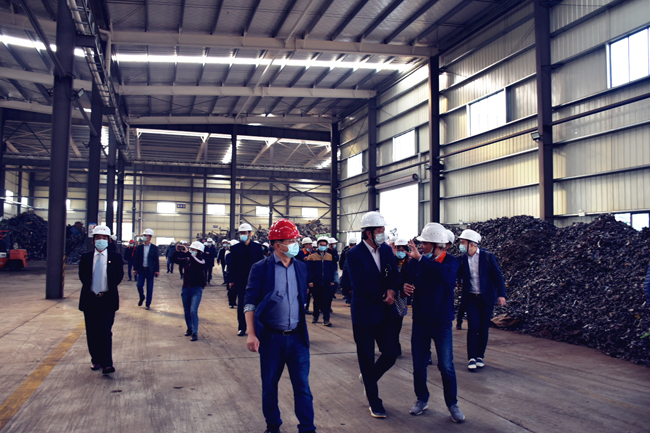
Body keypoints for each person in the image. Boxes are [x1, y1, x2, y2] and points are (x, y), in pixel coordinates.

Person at [244, 219, 315, 433]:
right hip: (271, 339)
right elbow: (250, 301)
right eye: (291, 241)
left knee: (303, 387)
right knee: (269, 386)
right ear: (277, 245)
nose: (295, 245)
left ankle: (307, 428)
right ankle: (273, 425)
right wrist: (251, 333)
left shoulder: (300, 267)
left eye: (296, 240)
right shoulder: (261, 269)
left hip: (297, 338)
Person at [402, 224, 465, 423]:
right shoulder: (416, 261)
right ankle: (422, 399)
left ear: (438, 245)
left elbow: (443, 275)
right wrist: (404, 286)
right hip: (421, 320)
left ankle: (452, 404)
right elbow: (405, 278)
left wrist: (421, 260)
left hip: (442, 322)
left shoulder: (451, 262)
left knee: (446, 365)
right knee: (419, 364)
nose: (422, 247)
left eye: (425, 244)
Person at [345, 211, 401, 419]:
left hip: (385, 312)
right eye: (380, 230)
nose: (383, 233)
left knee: (391, 352)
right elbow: (359, 284)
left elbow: (394, 274)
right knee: (366, 357)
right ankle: (374, 401)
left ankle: (369, 377)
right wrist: (383, 295)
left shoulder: (386, 250)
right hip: (364, 313)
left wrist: (393, 290)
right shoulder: (354, 254)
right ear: (368, 233)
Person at [457, 229, 507, 371]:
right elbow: (457, 274)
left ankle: (480, 356)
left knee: (484, 328)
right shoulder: (462, 259)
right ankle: (471, 358)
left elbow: (498, 276)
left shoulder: (487, 257)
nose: (461, 245)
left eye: (463, 242)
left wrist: (501, 295)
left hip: (486, 298)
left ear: (472, 244)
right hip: (471, 298)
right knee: (473, 328)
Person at [78, 225, 123, 375]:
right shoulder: (86, 257)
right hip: (90, 300)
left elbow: (118, 276)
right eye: (98, 238)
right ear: (93, 240)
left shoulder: (115, 258)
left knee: (105, 332)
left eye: (104, 238)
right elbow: (83, 276)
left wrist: (106, 288)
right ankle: (95, 359)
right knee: (92, 332)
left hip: (107, 300)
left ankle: (107, 364)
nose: (101, 240)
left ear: (109, 241)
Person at [229, 223, 264, 336]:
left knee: (257, 303)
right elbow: (232, 265)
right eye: (241, 233)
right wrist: (231, 280)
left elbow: (262, 264)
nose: (243, 235)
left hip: (255, 280)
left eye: (244, 233)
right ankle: (242, 327)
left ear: (250, 234)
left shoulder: (257, 248)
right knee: (242, 304)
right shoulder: (235, 248)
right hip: (240, 280)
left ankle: (256, 327)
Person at [171, 241, 207, 341]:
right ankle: (189, 328)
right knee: (186, 311)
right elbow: (173, 259)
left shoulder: (201, 261)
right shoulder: (187, 260)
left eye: (194, 250)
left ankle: (195, 332)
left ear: (199, 252)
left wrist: (188, 253)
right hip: (186, 289)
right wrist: (176, 251)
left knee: (193, 310)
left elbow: (198, 263)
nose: (191, 251)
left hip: (197, 289)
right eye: (191, 249)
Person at [306, 236, 338, 327]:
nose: (322, 246)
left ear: (327, 246)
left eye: (324, 245)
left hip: (327, 282)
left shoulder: (329, 256)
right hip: (316, 282)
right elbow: (309, 270)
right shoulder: (312, 257)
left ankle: (326, 319)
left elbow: (331, 269)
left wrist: (332, 280)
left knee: (326, 301)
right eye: (321, 245)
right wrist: (310, 281)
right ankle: (315, 316)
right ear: (318, 245)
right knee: (316, 300)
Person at [133, 228, 160, 310]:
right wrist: (135, 269)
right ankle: (142, 297)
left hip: (150, 270)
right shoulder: (140, 247)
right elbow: (136, 258)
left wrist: (157, 270)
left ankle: (148, 303)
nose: (144, 237)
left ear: (150, 237)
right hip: (141, 269)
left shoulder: (154, 248)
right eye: (144, 235)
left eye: (146, 235)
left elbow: (156, 260)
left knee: (149, 288)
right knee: (139, 285)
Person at [393, 238, 411, 356]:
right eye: (398, 249)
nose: (400, 251)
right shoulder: (390, 262)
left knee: (397, 322)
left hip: (401, 298)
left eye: (402, 249)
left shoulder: (409, 263)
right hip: (391, 295)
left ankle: (396, 344)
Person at [225, 240, 238, 308]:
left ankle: (234, 302)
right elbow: (229, 264)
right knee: (231, 289)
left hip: (238, 274)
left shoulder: (240, 255)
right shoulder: (228, 255)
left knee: (236, 289)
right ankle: (231, 302)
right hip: (230, 273)